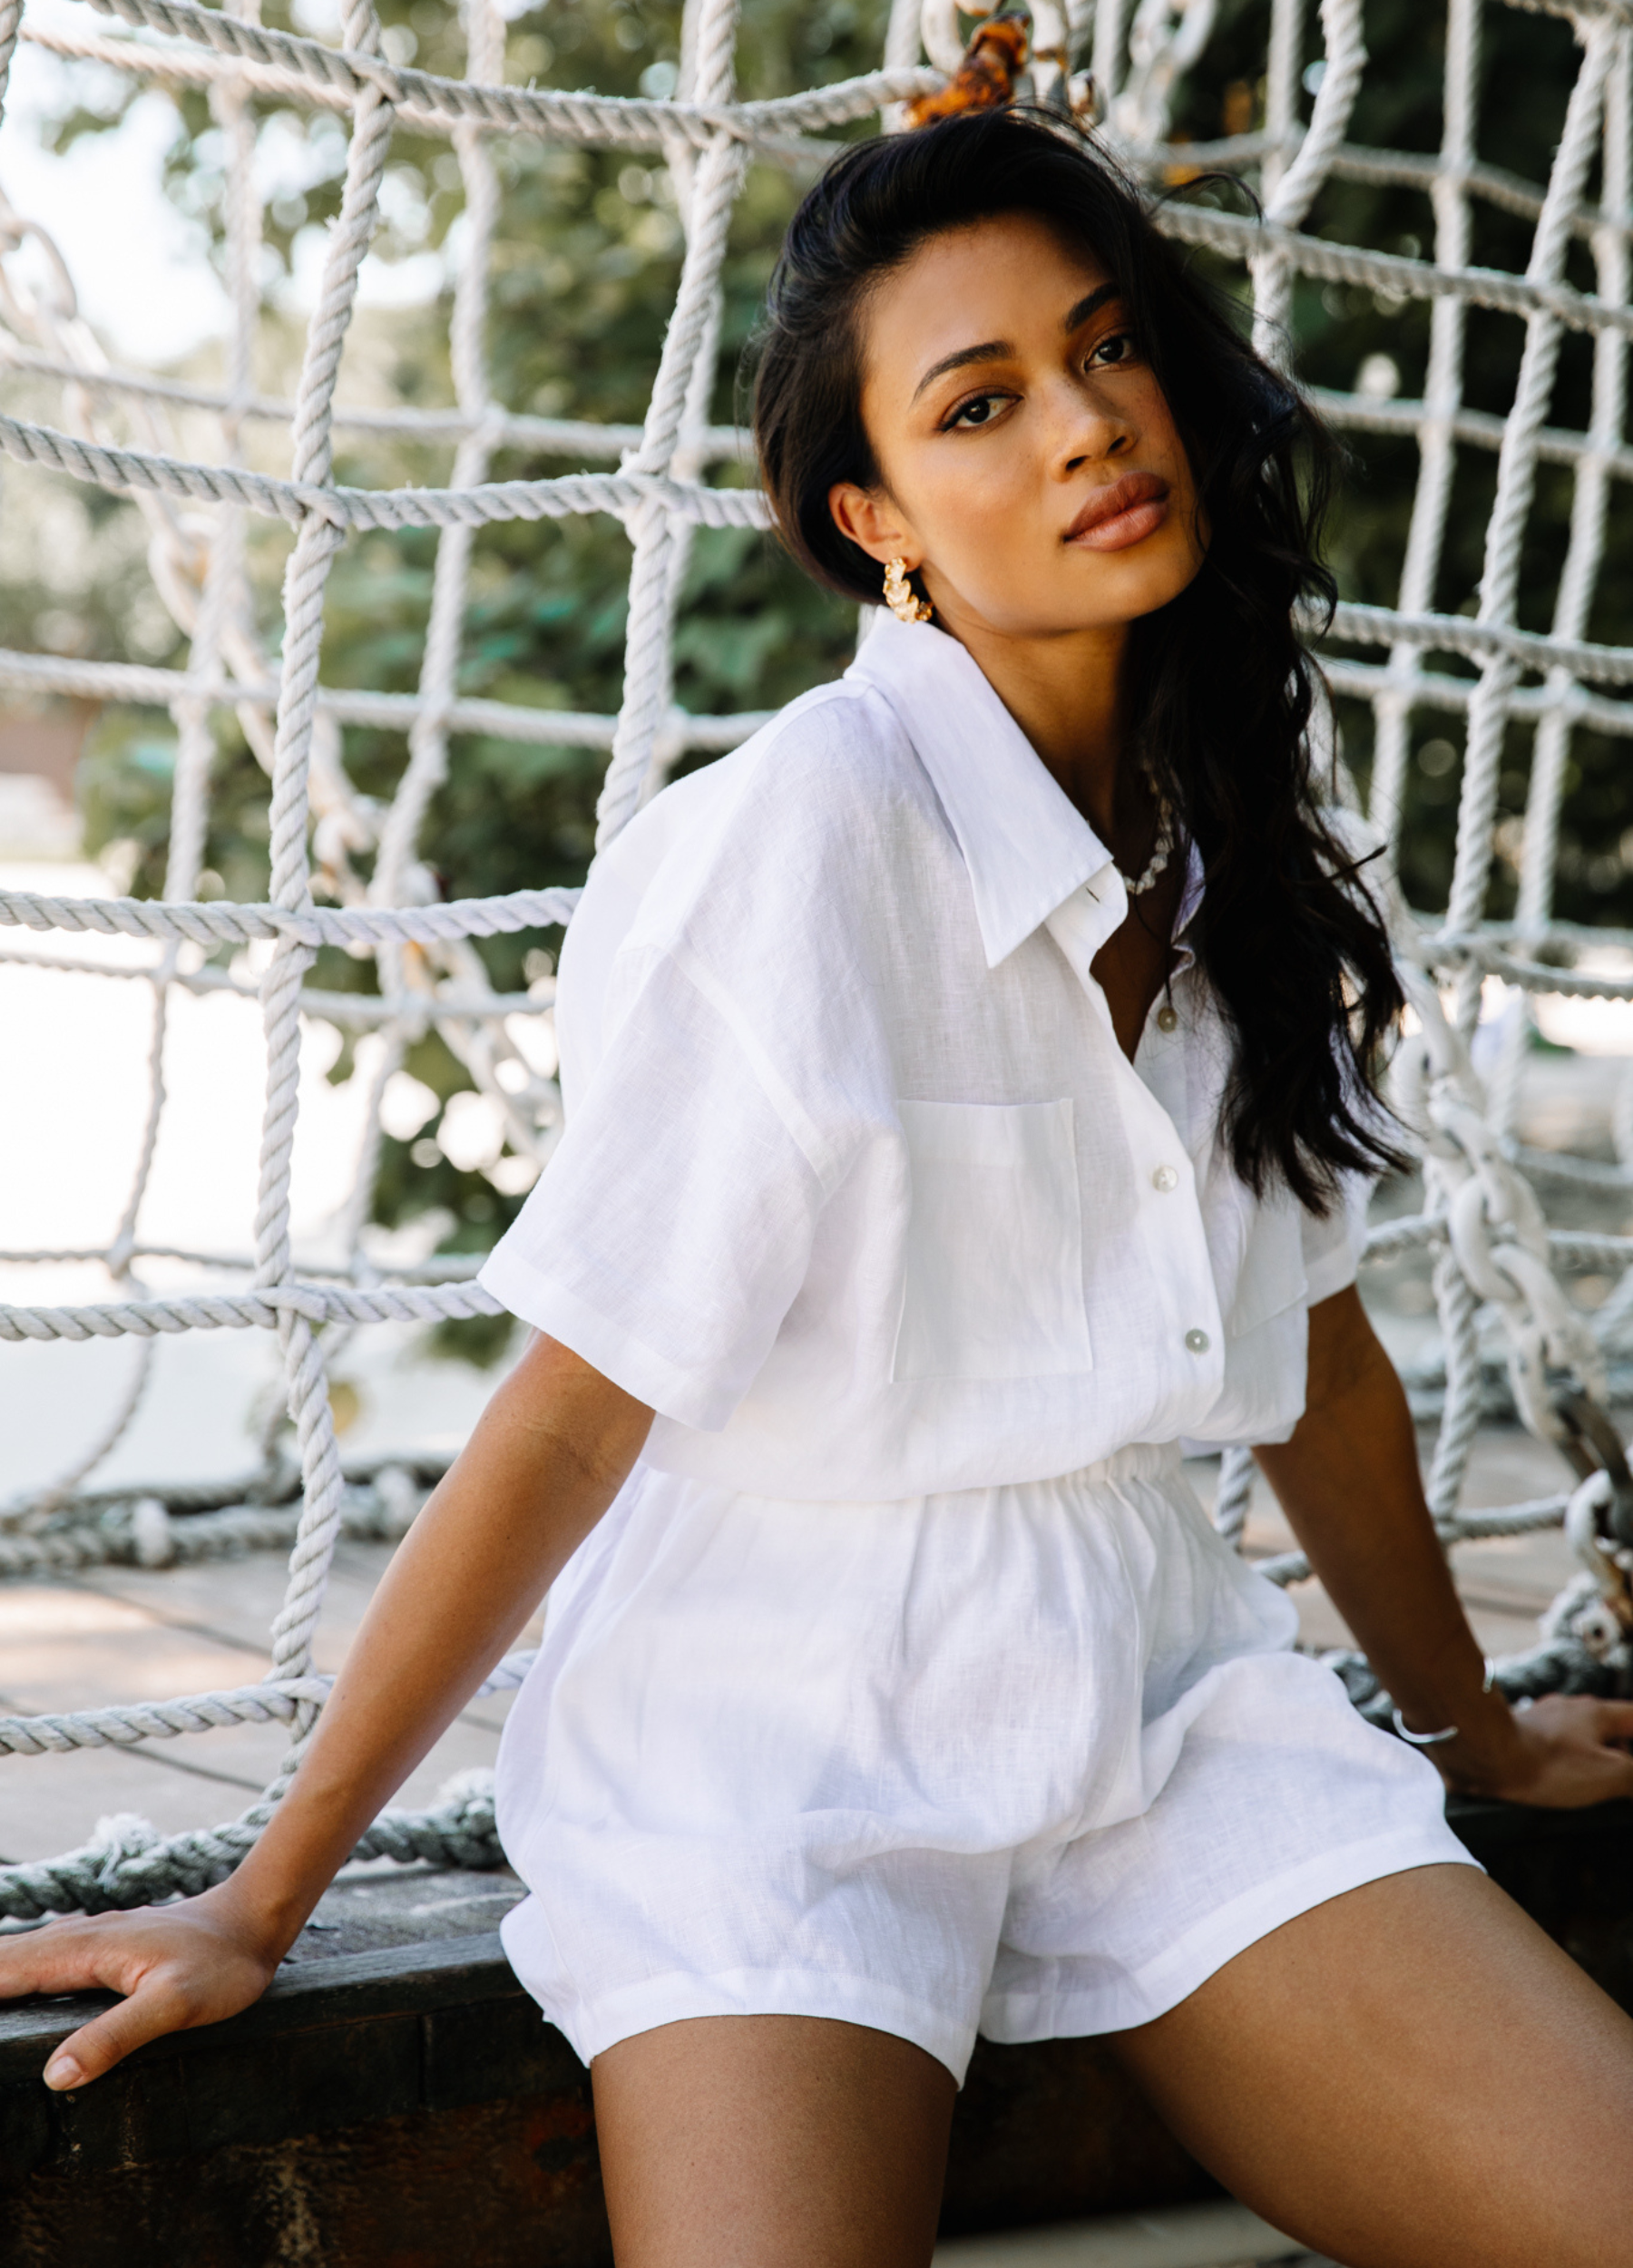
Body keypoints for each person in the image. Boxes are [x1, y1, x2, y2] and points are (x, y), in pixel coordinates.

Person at [6, 109, 1633, 2268]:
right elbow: (574, 1405)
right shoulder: (792, 843)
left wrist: (1480, 1729)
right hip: (786, 1720)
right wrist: (259, 1892)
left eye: (1107, 347)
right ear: (878, 523)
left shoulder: (1226, 811)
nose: (1084, 425)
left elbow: (1318, 1352)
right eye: (981, 404)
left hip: (1161, 1689)